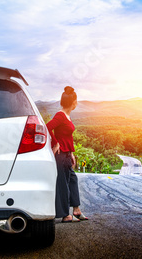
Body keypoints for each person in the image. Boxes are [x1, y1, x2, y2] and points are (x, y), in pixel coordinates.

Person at [46, 86, 89, 223]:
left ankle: (76, 209)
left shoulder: (67, 116)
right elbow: (48, 127)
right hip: (60, 155)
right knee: (63, 183)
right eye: (76, 101)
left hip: (66, 154)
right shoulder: (60, 115)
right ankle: (65, 215)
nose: (77, 103)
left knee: (72, 179)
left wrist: (71, 153)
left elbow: (68, 137)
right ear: (73, 102)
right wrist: (55, 143)